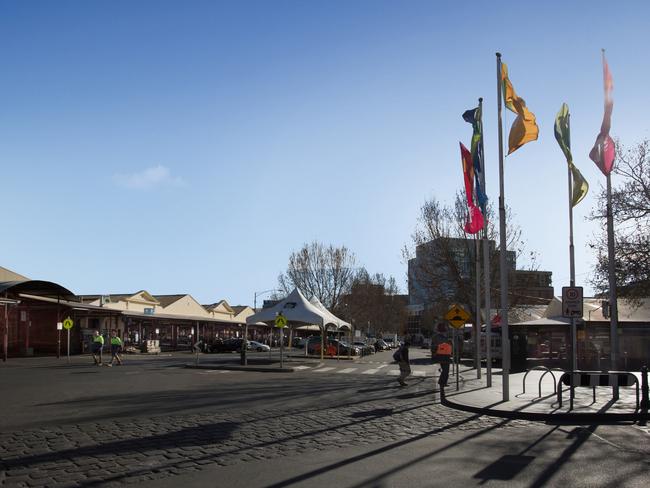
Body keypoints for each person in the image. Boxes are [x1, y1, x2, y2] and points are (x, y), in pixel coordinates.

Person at [431, 323, 452, 388]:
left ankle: (443, 382)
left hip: (446, 355)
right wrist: (434, 353)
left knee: (446, 370)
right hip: (441, 355)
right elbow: (433, 346)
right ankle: (442, 382)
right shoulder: (436, 337)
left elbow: (451, 346)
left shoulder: (447, 336)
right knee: (446, 370)